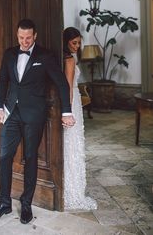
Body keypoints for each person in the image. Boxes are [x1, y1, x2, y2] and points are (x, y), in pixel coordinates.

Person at [0, 19, 75, 224]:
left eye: (28, 38)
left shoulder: (46, 56)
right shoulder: (9, 53)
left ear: (35, 36)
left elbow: (61, 84)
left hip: (34, 115)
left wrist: (66, 112)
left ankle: (26, 204)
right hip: (11, 113)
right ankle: (4, 204)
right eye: (20, 38)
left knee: (31, 157)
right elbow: (3, 81)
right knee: (5, 156)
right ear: (17, 36)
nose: (24, 42)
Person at [63, 27, 97, 210]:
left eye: (79, 42)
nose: (77, 46)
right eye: (73, 42)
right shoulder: (68, 59)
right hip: (72, 101)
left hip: (74, 99)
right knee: (72, 142)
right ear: (66, 41)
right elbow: (68, 87)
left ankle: (71, 185)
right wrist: (67, 111)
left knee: (73, 142)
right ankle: (72, 190)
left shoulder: (68, 57)